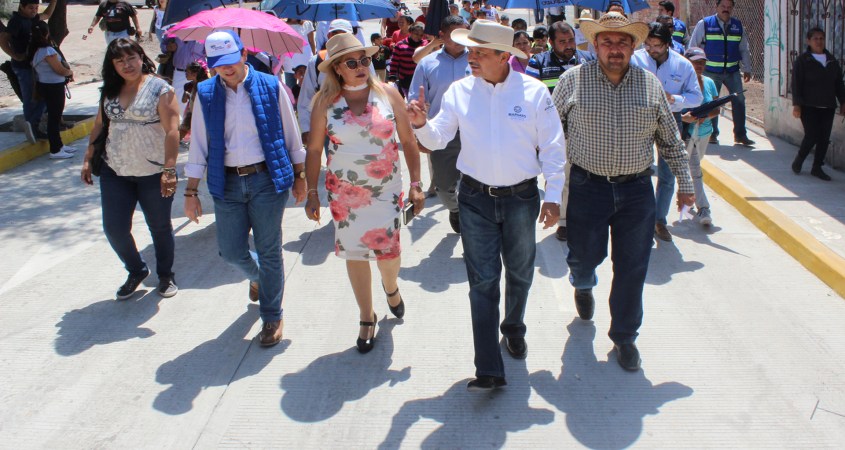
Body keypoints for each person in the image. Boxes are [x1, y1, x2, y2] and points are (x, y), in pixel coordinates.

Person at [407, 20, 566, 391]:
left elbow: (553, 146)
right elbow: (439, 137)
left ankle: (513, 327)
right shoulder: (460, 91)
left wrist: (554, 195)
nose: (471, 58)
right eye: (471, 50)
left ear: (502, 56)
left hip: (522, 199)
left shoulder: (533, 92)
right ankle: (489, 367)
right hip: (475, 199)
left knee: (520, 272)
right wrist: (421, 125)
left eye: (480, 52)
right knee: (482, 281)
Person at [552, 13, 694, 372]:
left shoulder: (650, 85)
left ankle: (625, 336)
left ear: (633, 46)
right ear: (595, 45)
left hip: (636, 191)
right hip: (587, 187)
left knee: (632, 265)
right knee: (584, 256)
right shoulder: (572, 81)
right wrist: (548, 187)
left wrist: (686, 185)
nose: (614, 49)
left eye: (622, 42)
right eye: (607, 42)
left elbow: (670, 141)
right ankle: (583, 282)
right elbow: (550, 135)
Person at [183, 31, 307, 347]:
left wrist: (301, 174)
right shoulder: (205, 93)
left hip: (266, 181)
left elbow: (291, 133)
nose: (226, 68)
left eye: (230, 60)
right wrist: (191, 192)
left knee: (269, 250)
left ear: (243, 55)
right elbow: (198, 144)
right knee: (230, 251)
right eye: (218, 63)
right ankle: (258, 277)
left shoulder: (270, 85)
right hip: (226, 184)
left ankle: (272, 316)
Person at [304, 34, 425, 353]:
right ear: (337, 68)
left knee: (389, 251)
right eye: (352, 62)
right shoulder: (324, 102)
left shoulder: (388, 93)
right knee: (354, 252)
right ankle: (366, 315)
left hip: (386, 187)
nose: (361, 66)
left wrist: (416, 184)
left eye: (365, 60)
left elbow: (408, 141)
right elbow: (314, 149)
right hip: (345, 191)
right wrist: (312, 192)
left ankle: (391, 287)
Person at [80, 38, 181, 300]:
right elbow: (99, 125)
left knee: (159, 227)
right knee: (114, 229)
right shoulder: (110, 89)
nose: (127, 65)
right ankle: (136, 270)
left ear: (141, 57)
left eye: (131, 58)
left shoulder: (160, 89)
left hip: (154, 172)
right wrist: (88, 157)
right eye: (120, 61)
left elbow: (172, 131)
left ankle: (166, 276)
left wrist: (169, 170)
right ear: (112, 65)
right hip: (115, 171)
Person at [631, 22, 702, 242]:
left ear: (667, 44)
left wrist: (676, 99)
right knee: (636, 171)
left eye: (657, 45)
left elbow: (696, 97)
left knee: (667, 175)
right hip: (639, 120)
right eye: (649, 44)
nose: (652, 49)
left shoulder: (683, 65)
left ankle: (659, 220)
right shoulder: (634, 60)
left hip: (671, 120)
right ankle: (637, 218)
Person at [526, 20, 594, 242]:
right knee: (559, 177)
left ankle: (583, 217)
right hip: (554, 134)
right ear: (551, 42)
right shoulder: (538, 62)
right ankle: (563, 221)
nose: (569, 45)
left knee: (586, 178)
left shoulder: (588, 61)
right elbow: (530, 98)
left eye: (571, 40)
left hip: (586, 132)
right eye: (562, 41)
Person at [409, 15, 469, 234]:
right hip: (443, 135)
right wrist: (419, 131)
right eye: (454, 34)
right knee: (443, 186)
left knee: (478, 185)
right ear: (442, 35)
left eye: (464, 34)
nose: (460, 39)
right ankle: (455, 209)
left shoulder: (478, 59)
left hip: (475, 133)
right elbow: (414, 101)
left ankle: (473, 219)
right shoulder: (427, 64)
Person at [689, 0, 755, 146]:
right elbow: (693, 46)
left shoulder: (738, 26)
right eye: (723, 6)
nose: (726, 9)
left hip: (732, 71)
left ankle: (740, 135)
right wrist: (692, 68)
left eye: (729, 7)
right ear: (717, 7)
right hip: (711, 71)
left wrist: (747, 68)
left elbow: (744, 49)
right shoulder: (705, 24)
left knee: (739, 100)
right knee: (712, 103)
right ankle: (712, 134)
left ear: (732, 8)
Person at [790, 27, 845, 181]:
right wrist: (797, 104)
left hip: (827, 106)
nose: (819, 41)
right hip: (808, 106)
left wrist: (843, 101)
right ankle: (799, 160)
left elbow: (839, 83)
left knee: (824, 138)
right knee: (812, 135)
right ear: (808, 41)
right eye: (815, 38)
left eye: (821, 38)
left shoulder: (831, 60)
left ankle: (817, 167)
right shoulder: (803, 60)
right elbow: (796, 83)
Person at [0, 0, 57, 144]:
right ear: (22, 7)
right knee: (30, 97)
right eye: (31, 8)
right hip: (23, 67)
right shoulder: (17, 21)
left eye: (36, 7)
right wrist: (15, 56)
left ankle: (33, 125)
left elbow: (47, 14)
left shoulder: (32, 18)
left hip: (35, 65)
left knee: (43, 95)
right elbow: (3, 39)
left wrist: (54, 1)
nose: (34, 10)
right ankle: (32, 128)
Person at [681, 47, 721, 224]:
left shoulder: (709, 82)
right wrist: (686, 118)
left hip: (704, 133)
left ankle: (686, 200)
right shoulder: (680, 84)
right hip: (686, 135)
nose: (699, 65)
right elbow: (672, 110)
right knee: (696, 171)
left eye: (702, 62)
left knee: (692, 170)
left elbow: (716, 109)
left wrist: (705, 115)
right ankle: (704, 209)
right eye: (696, 62)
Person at [28, 20, 75, 159]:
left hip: (45, 85)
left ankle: (59, 145)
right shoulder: (47, 51)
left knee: (54, 117)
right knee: (54, 118)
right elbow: (59, 70)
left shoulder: (34, 51)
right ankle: (55, 149)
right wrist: (69, 72)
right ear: (47, 33)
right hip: (54, 87)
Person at [389, 22, 428, 96]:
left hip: (421, 78)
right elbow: (394, 61)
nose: (418, 37)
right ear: (410, 32)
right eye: (416, 34)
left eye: (421, 35)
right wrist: (392, 74)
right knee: (410, 98)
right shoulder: (400, 45)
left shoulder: (425, 45)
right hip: (405, 79)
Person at [179, 61, 208, 141]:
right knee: (182, 131)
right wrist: (186, 95)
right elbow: (183, 101)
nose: (185, 73)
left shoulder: (205, 86)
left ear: (195, 74)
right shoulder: (188, 86)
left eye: (187, 71)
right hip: (191, 112)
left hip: (202, 114)